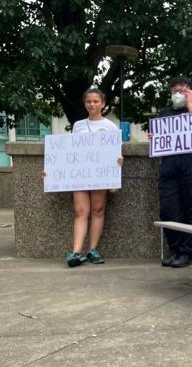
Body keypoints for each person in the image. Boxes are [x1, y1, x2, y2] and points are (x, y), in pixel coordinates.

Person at [61, 88, 123, 267]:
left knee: (98, 210)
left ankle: (93, 249)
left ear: (103, 104)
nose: (92, 104)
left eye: (96, 101)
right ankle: (76, 251)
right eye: (89, 101)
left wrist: (118, 161)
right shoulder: (78, 126)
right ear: (85, 103)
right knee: (80, 211)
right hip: (80, 175)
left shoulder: (111, 126)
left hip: (100, 175)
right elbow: (70, 151)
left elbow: (114, 151)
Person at [156, 76, 192, 268]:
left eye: (183, 90)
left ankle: (187, 252)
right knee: (168, 208)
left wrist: (191, 104)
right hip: (170, 164)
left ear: (191, 93)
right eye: (175, 90)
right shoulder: (164, 113)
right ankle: (175, 249)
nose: (178, 94)